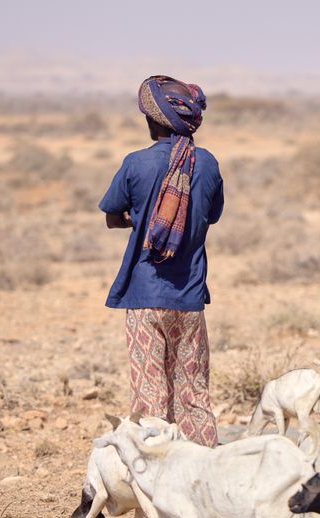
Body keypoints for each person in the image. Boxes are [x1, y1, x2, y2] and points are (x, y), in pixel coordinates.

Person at [98, 75, 223, 447]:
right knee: (194, 395)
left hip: (144, 296)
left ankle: (155, 490)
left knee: (150, 398)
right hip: (189, 296)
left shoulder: (136, 164)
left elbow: (111, 215)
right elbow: (211, 215)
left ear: (155, 121)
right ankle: (203, 482)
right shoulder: (208, 164)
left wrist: (139, 219)